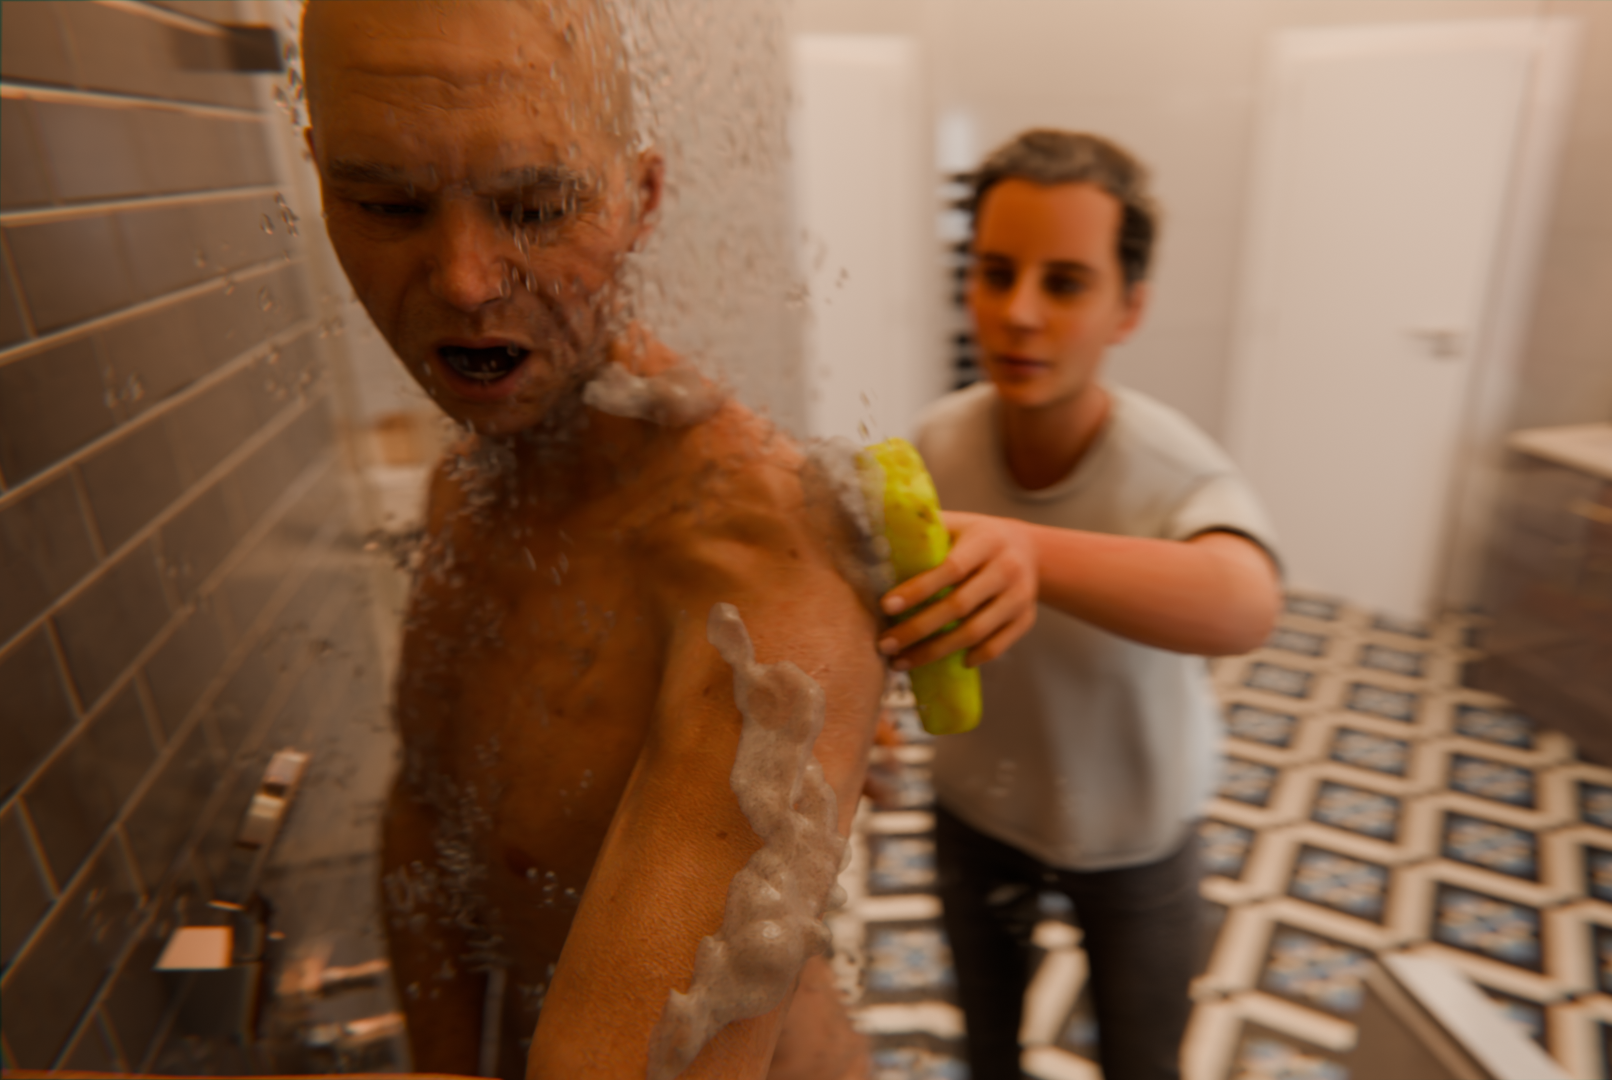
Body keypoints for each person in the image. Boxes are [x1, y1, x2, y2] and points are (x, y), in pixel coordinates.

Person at [300, 3, 896, 1077]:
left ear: (641, 197)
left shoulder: (760, 569)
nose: (467, 280)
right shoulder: (467, 488)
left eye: (536, 209)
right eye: (386, 204)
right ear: (317, 174)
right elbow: (427, 816)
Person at [875, 130, 1283, 1080]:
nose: (1018, 313)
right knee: (988, 1051)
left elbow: (1245, 603)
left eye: (1064, 283)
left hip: (1136, 833)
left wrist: (1031, 550)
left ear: (1128, 307)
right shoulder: (939, 441)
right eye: (995, 273)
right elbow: (887, 596)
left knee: (1143, 1062)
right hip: (979, 809)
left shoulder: (1174, 467)